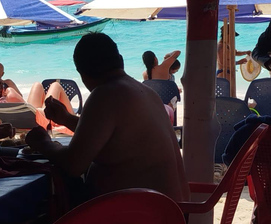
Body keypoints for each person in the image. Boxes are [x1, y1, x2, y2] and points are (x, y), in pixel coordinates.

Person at [25, 33, 190, 202]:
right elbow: (113, 135)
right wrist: (66, 119)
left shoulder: (105, 94)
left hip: (142, 214)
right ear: (120, 60)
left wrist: (44, 143)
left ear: (82, 73)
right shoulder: (145, 92)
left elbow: (73, 164)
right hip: (171, 211)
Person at [0, 77, 74, 134]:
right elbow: (23, 103)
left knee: (37, 85)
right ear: (2, 89)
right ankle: (72, 118)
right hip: (42, 118)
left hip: (32, 115)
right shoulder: (10, 94)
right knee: (55, 85)